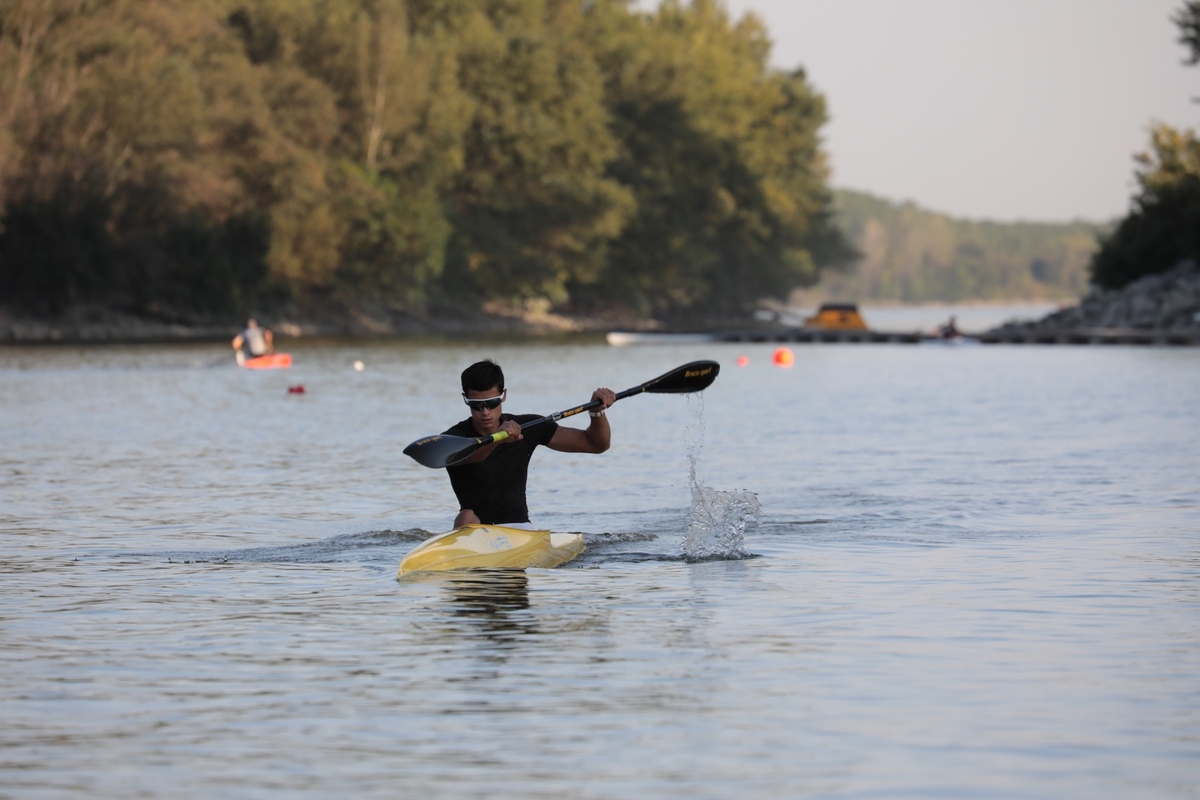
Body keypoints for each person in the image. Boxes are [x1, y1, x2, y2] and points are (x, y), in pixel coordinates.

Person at [443, 359, 616, 529]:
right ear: (465, 399)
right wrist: (499, 438)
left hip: (520, 529)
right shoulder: (453, 439)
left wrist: (596, 413)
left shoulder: (528, 426)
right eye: (476, 405)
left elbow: (596, 445)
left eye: (492, 402)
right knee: (466, 517)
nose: (485, 412)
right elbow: (473, 454)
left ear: (503, 396)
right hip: (474, 530)